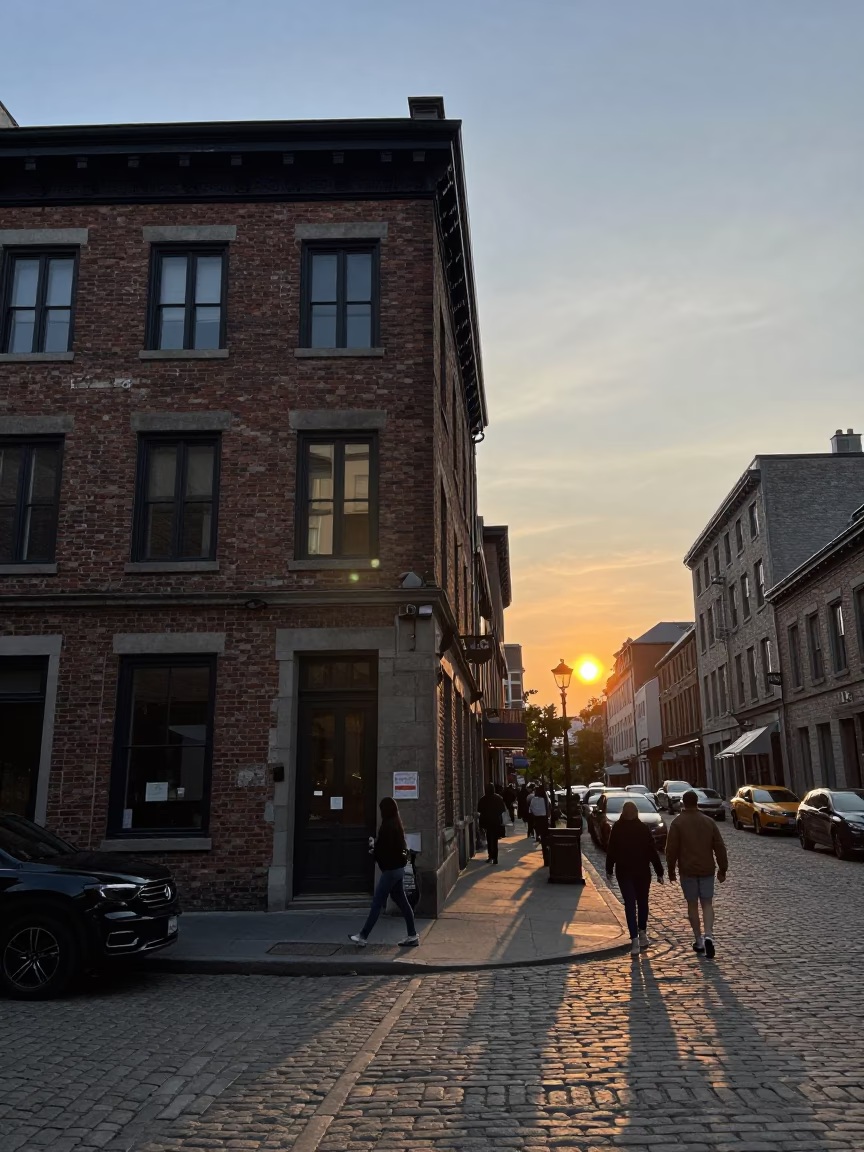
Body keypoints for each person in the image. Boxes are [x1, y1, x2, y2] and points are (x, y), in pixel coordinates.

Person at [666, 789, 728, 959]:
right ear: (697, 802)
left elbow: (671, 850)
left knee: (692, 904)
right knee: (707, 903)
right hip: (707, 869)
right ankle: (709, 934)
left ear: (683, 803)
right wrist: (723, 869)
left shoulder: (678, 823)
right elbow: (719, 847)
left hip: (688, 870)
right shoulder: (708, 822)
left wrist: (671, 870)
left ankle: (699, 940)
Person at [349, 797, 419, 948]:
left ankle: (363, 936)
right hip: (398, 869)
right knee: (403, 902)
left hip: (391, 871)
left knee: (377, 903)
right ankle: (412, 935)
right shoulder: (397, 825)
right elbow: (393, 849)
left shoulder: (386, 827)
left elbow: (383, 851)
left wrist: (374, 847)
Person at [605, 800, 664, 956]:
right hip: (642, 872)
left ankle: (635, 941)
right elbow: (652, 851)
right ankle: (642, 932)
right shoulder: (642, 828)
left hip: (624, 872)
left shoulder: (617, 828)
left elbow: (611, 850)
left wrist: (609, 869)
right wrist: (659, 871)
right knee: (642, 902)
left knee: (630, 905)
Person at [478, 781, 507, 864]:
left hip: (487, 822)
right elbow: (502, 810)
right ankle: (495, 857)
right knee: (495, 840)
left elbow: (479, 810)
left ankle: (490, 856)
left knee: (489, 839)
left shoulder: (483, 799)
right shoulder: (499, 798)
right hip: (496, 822)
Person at [529, 785, 551, 862]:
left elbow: (530, 810)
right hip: (544, 820)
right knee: (546, 839)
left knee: (542, 838)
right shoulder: (545, 799)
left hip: (537, 820)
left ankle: (545, 855)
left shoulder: (533, 800)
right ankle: (547, 856)